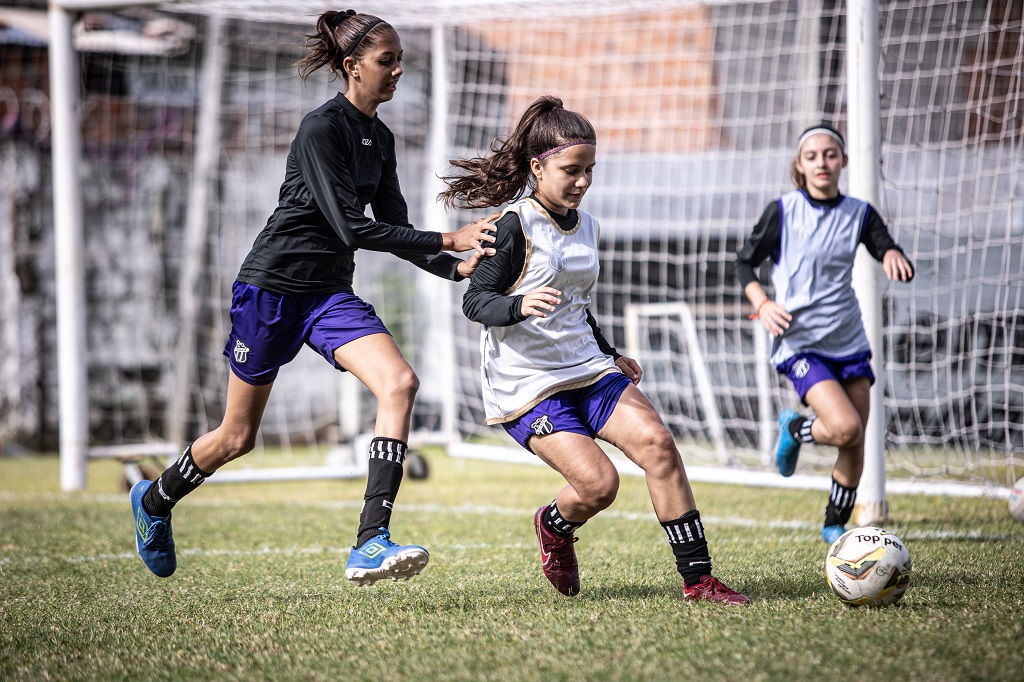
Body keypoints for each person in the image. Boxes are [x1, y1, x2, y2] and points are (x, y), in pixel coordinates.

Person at [130, 9, 498, 584]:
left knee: (399, 384)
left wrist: (455, 267)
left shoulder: (383, 138)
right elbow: (354, 228)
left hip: (328, 295)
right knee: (236, 437)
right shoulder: (320, 129)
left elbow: (394, 226)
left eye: (401, 60)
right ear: (352, 67)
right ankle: (154, 502)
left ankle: (370, 542)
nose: (398, 70)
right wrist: (450, 235)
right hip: (271, 290)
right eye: (387, 61)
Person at [441, 96, 749, 605]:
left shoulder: (591, 227)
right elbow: (477, 303)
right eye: (571, 170)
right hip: (529, 384)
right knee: (599, 485)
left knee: (659, 446)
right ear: (537, 166)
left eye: (590, 170)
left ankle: (699, 581)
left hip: (588, 367)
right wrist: (518, 307)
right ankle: (554, 526)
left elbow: (578, 305)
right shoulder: (513, 226)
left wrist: (610, 352)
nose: (582, 181)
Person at [734, 124, 914, 545]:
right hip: (801, 341)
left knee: (854, 441)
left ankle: (835, 525)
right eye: (812, 156)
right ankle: (795, 429)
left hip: (848, 340)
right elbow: (744, 263)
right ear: (800, 165)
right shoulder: (782, 211)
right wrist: (763, 303)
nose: (822, 162)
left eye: (830, 155)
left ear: (844, 162)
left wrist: (890, 254)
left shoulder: (859, 213)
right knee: (846, 427)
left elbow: (885, 244)